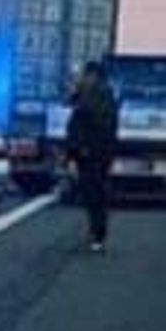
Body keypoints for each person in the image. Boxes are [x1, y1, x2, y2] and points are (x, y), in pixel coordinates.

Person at [66, 61, 119, 252]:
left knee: (95, 194)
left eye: (85, 75)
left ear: (93, 76)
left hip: (93, 153)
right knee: (92, 194)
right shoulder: (100, 94)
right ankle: (96, 232)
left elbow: (83, 119)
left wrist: (79, 150)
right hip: (94, 153)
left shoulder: (98, 95)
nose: (82, 79)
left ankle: (98, 234)